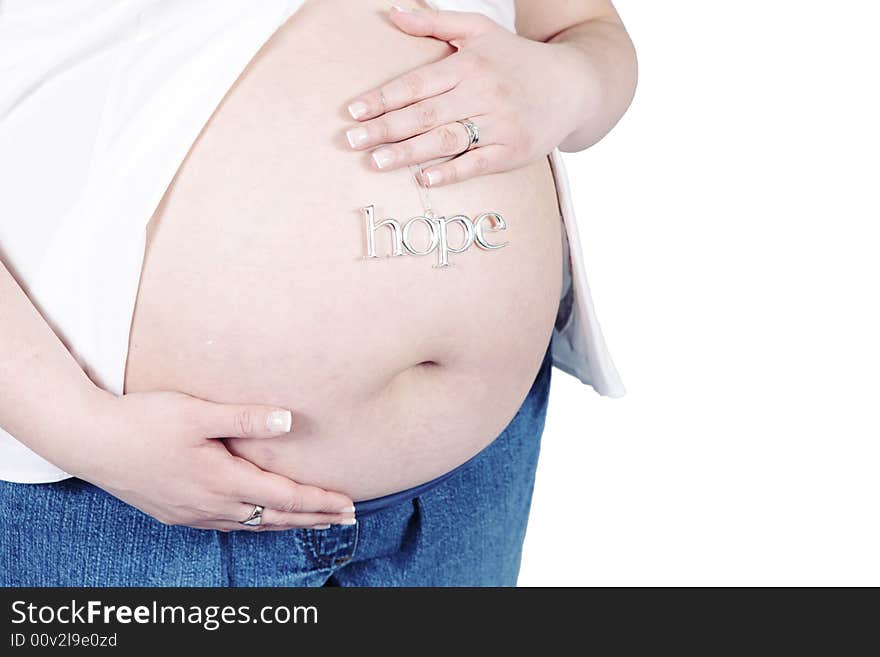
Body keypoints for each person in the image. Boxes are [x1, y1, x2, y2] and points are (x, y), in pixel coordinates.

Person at [0, 0, 636, 586]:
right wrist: (83, 431)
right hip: (127, 495)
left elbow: (587, 32)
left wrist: (567, 82)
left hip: (466, 490)